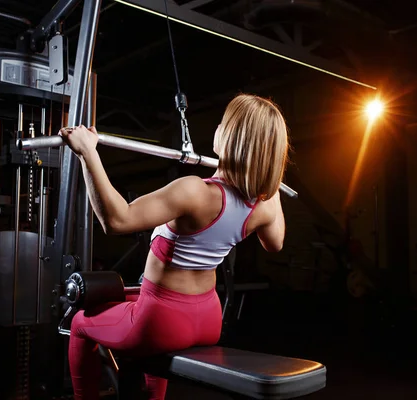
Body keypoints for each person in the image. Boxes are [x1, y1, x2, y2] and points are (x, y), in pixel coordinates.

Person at [60, 93, 289, 400]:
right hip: (208, 318)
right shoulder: (263, 207)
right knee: (123, 299)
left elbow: (117, 220)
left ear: (231, 138)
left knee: (78, 323)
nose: (218, 127)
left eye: (223, 124)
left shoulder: (195, 191)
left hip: (162, 320)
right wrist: (270, 191)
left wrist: (88, 153)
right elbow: (275, 244)